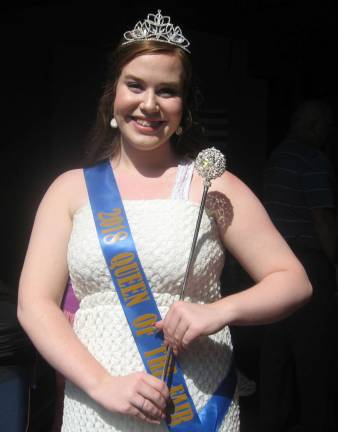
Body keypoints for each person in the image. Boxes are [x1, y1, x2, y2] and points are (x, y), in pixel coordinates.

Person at [17, 10, 312, 432]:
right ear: (112, 94)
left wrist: (219, 311)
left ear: (184, 105)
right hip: (99, 403)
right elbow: (34, 304)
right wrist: (102, 384)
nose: (149, 104)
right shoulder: (69, 190)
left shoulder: (214, 186)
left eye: (167, 91)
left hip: (198, 402)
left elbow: (293, 281)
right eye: (135, 85)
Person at [261, 100, 337, 431]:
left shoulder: (278, 157)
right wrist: (336, 263)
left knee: (276, 346)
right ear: (316, 128)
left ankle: (271, 420)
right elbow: (322, 217)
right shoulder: (313, 160)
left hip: (275, 261)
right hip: (308, 260)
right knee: (313, 350)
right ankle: (316, 423)